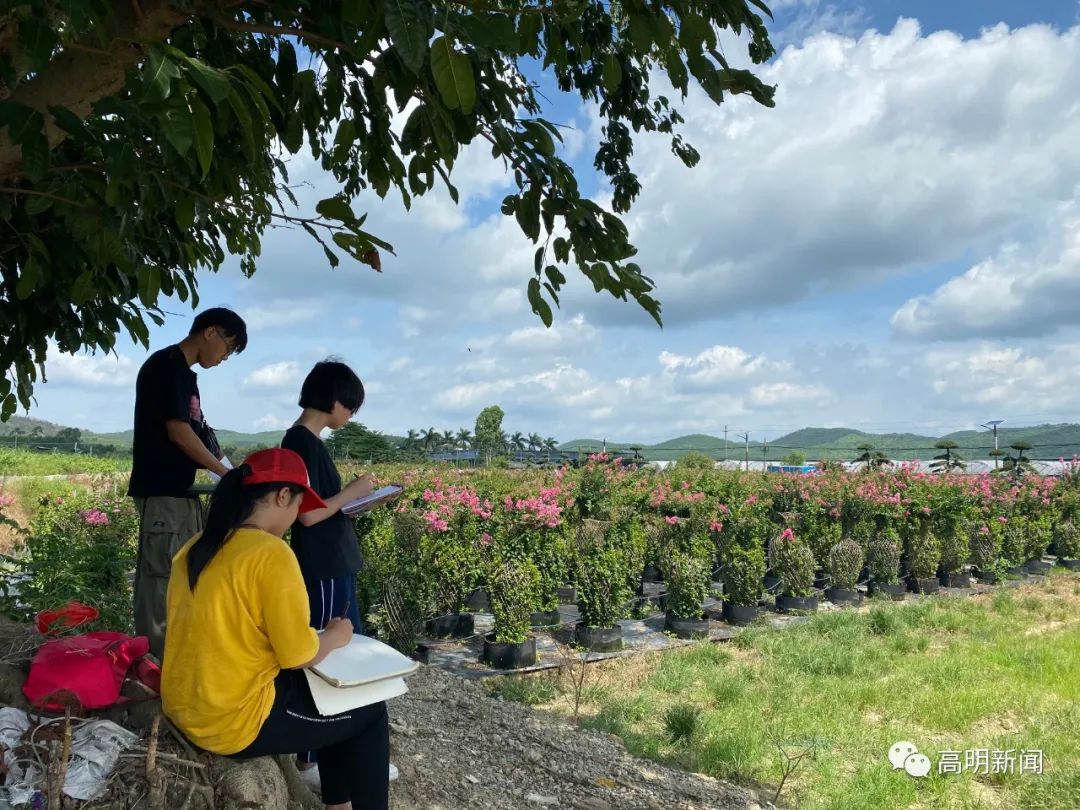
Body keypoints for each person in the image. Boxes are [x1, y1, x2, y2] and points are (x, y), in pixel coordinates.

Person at [161, 448, 389, 810]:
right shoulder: (270, 553)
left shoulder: (194, 547)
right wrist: (335, 635)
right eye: (298, 504)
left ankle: (339, 805)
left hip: (184, 705)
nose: (297, 515)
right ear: (283, 496)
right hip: (230, 722)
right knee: (370, 710)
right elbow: (299, 656)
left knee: (334, 702)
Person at [280, 360, 391, 784]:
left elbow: (324, 507)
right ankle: (316, 756)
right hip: (323, 565)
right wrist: (356, 491)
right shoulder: (300, 445)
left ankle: (338, 750)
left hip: (334, 563)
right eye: (352, 407)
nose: (352, 416)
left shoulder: (310, 442)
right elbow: (306, 516)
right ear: (335, 400)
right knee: (326, 653)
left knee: (344, 650)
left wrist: (356, 501)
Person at [127, 307, 248, 660]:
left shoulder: (188, 378)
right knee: (159, 584)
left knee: (182, 582)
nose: (225, 358)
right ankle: (154, 671)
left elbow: (201, 434)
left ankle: (176, 667)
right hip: (163, 494)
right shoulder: (165, 367)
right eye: (228, 348)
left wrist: (232, 469)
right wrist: (226, 475)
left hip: (181, 496)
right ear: (211, 332)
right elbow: (179, 432)